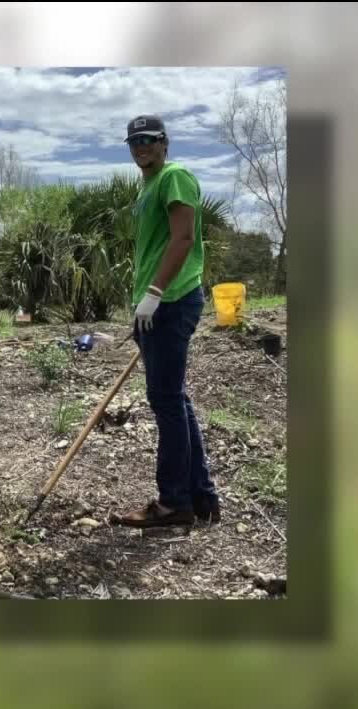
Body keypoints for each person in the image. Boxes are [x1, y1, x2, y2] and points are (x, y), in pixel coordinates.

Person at [111, 114, 221, 528]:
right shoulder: (149, 186)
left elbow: (184, 239)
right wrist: (144, 304)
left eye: (149, 139)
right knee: (175, 399)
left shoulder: (175, 177)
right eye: (134, 141)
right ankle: (200, 496)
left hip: (173, 301)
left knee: (166, 402)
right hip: (159, 306)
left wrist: (155, 295)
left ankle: (173, 502)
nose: (141, 146)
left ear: (164, 142)